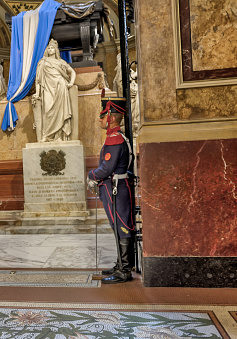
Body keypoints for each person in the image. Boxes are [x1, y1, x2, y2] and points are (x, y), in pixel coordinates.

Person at [87, 98, 135, 284]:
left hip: (115, 189)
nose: (99, 120)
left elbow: (107, 168)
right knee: (118, 226)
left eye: (102, 116)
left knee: (122, 226)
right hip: (114, 187)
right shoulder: (115, 137)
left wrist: (91, 174)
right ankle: (121, 265)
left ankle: (124, 271)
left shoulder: (114, 139)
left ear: (111, 118)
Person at [33, 38, 76, 142]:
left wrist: (71, 83)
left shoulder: (61, 62)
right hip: (47, 88)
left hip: (60, 87)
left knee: (60, 113)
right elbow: (38, 80)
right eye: (49, 48)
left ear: (56, 50)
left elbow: (72, 72)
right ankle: (46, 136)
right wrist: (37, 93)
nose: (50, 50)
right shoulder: (42, 62)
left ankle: (58, 136)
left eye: (53, 48)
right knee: (47, 111)